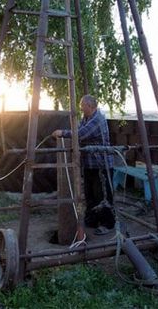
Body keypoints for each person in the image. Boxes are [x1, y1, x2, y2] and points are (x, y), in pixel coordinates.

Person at [52, 95, 115, 235]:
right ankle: (92, 219)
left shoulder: (97, 119)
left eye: (82, 105)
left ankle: (107, 224)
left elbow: (80, 134)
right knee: (90, 194)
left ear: (90, 106)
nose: (80, 108)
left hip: (101, 165)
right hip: (89, 164)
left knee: (103, 195)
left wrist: (62, 133)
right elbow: (79, 130)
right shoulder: (86, 119)